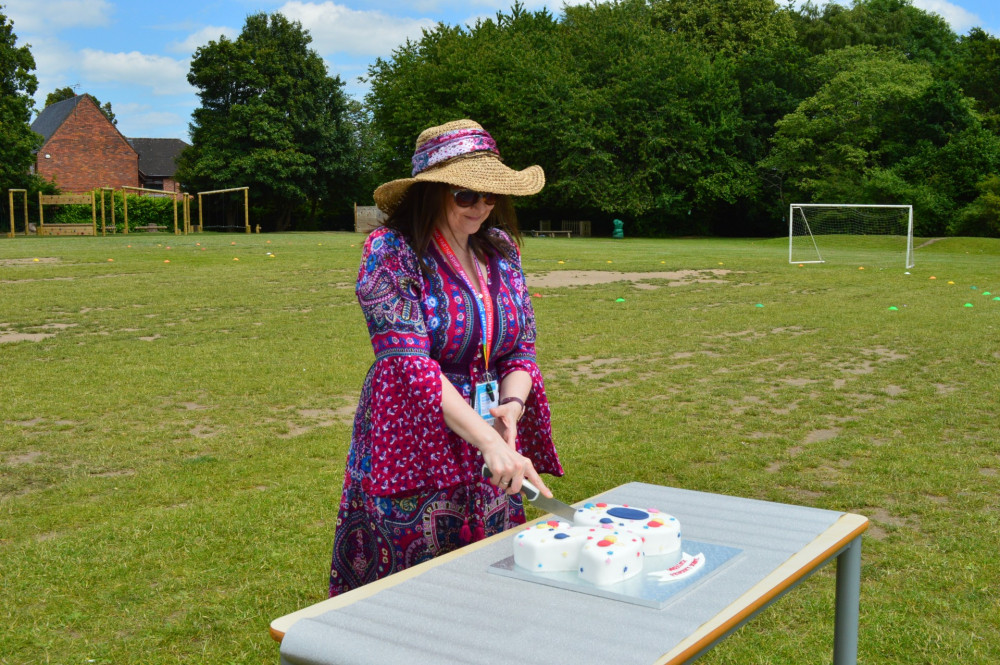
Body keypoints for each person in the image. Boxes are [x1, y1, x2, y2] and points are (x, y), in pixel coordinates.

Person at [328, 119, 563, 596]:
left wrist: (510, 415)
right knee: (409, 590)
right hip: (415, 439)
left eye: (490, 196)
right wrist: (489, 442)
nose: (481, 207)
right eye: (465, 196)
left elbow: (520, 347)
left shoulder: (499, 249)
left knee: (489, 583)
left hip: (489, 434)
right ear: (431, 193)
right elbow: (407, 363)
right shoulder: (391, 251)